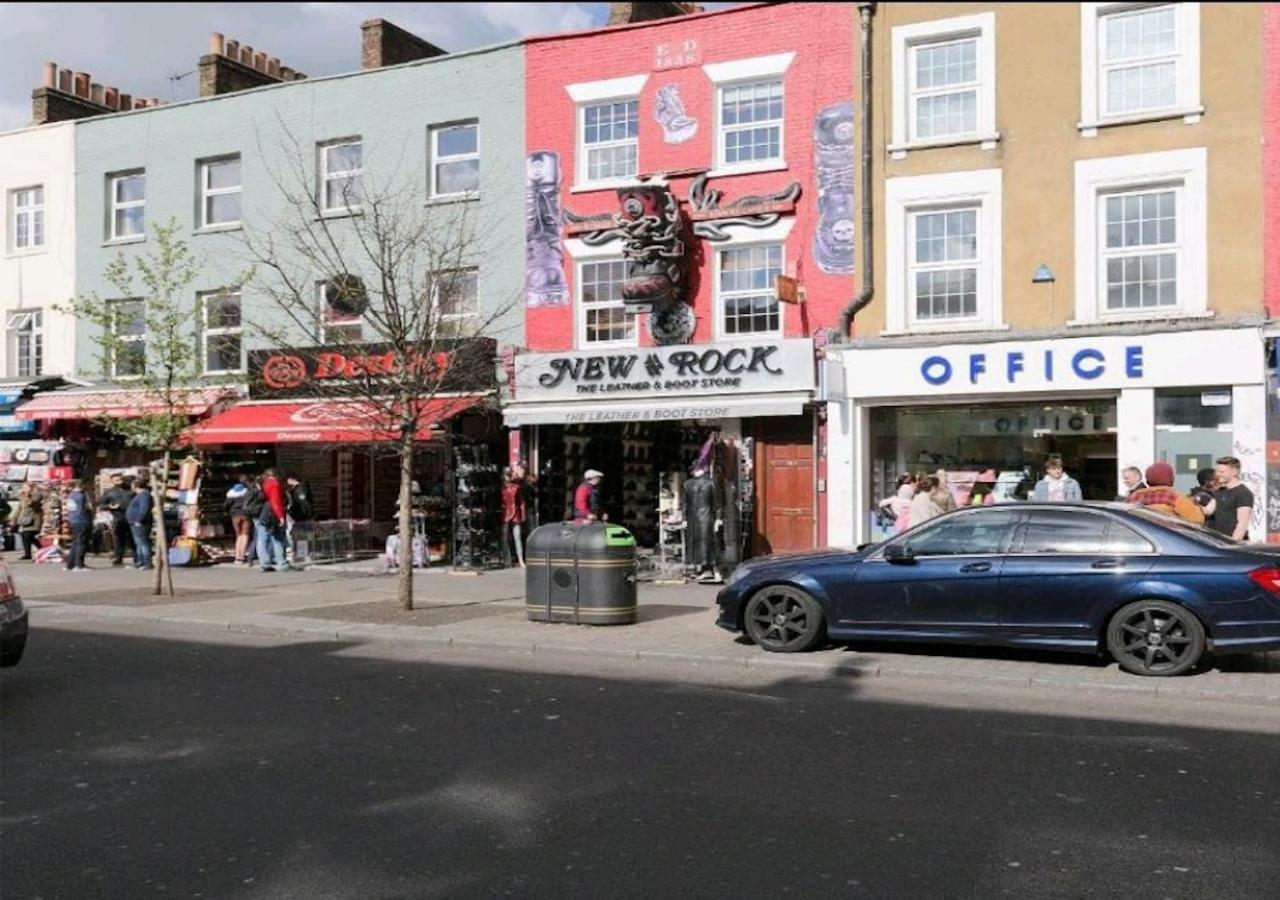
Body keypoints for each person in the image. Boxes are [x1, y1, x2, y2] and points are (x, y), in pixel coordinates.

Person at [1125, 462, 1205, 525]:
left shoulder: (1134, 497)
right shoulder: (1173, 497)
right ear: (1170, 479)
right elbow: (1197, 520)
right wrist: (1200, 508)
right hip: (1168, 541)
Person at [1208, 456, 1253, 541]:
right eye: (1217, 471)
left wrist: (1232, 545)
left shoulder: (1243, 493)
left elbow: (1242, 523)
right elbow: (1208, 510)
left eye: (1222, 471)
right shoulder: (1220, 491)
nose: (1218, 474)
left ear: (1234, 472)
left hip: (1231, 547)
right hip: (1216, 544)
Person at [256, 469, 290, 572]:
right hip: (272, 513)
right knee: (278, 539)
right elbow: (276, 501)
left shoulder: (263, 484)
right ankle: (282, 563)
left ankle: (264, 563)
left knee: (262, 539)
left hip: (264, 513)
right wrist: (281, 516)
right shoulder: (274, 485)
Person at [98, 473, 134, 567]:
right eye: (116, 479)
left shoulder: (130, 490)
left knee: (132, 538)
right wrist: (110, 506)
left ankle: (138, 558)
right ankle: (118, 558)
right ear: (112, 481)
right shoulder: (109, 492)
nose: (119, 480)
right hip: (118, 517)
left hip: (131, 517)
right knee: (118, 539)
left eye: (120, 479)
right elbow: (101, 505)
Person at [501, 465, 528, 568]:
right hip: (505, 513)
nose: (508, 477)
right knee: (505, 537)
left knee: (517, 537)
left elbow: (521, 501)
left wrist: (523, 513)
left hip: (515, 513)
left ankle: (520, 559)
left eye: (509, 474)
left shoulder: (516, 487)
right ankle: (507, 560)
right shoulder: (502, 487)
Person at [64, 480, 93, 572]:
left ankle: (70, 564)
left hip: (73, 520)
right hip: (81, 520)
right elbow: (82, 509)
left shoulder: (71, 495)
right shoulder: (81, 496)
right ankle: (79, 565)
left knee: (75, 542)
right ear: (82, 486)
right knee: (81, 543)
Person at [224, 475, 254, 566]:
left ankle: (237, 557)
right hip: (245, 514)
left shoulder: (231, 493)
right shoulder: (248, 491)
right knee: (245, 535)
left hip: (234, 515)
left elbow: (225, 506)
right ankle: (242, 556)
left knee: (238, 535)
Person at [285, 475, 314, 565]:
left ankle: (302, 555)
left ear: (291, 479)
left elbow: (304, 503)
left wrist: (305, 514)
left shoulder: (300, 489)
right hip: (300, 515)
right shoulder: (296, 489)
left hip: (301, 515)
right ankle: (301, 554)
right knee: (300, 535)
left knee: (302, 535)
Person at [127, 480, 155, 570]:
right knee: (139, 543)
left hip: (141, 523)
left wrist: (139, 520)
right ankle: (140, 562)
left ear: (135, 486)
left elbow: (144, 508)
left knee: (143, 543)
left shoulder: (144, 495)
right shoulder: (140, 495)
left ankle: (147, 563)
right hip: (135, 523)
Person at [14, 484, 42, 561]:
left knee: (28, 535)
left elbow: (32, 503)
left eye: (26, 487)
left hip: (34, 519)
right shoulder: (23, 496)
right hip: (25, 520)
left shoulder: (37, 494)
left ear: (31, 488)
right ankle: (29, 553)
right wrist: (14, 518)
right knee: (25, 535)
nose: (24, 489)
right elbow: (19, 508)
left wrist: (28, 495)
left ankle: (33, 552)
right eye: (23, 487)